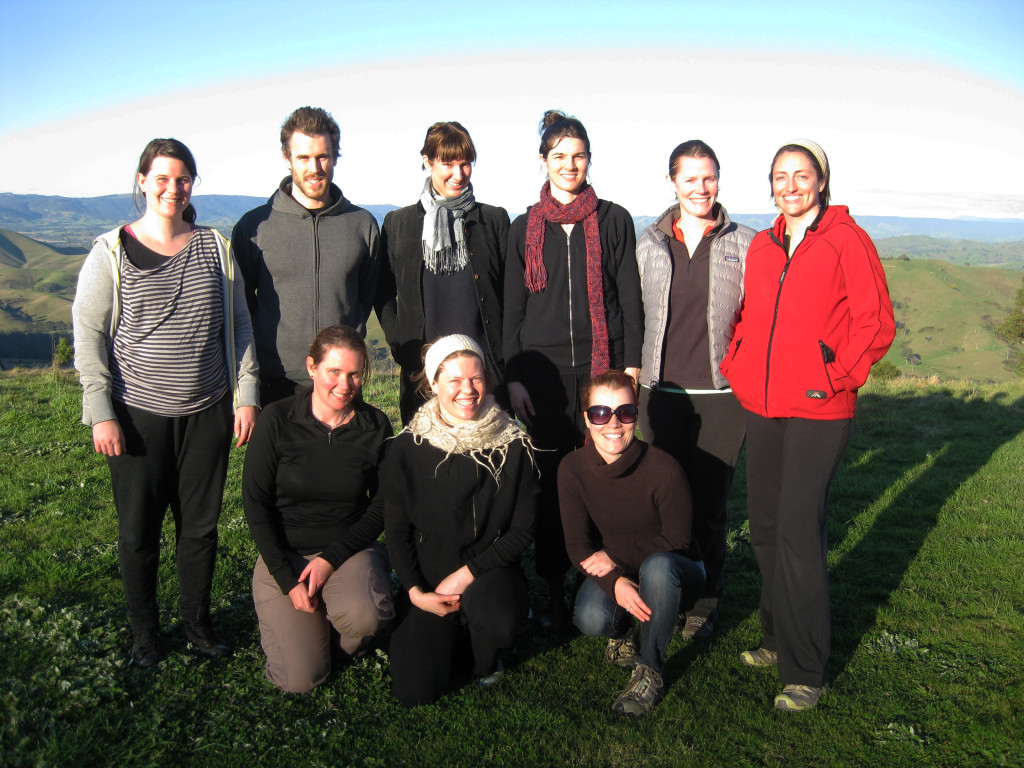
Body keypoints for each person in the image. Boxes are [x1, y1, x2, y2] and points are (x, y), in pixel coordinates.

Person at [720, 139, 895, 711]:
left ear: (821, 180)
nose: (789, 185)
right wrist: (737, 363)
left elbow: (875, 323)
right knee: (766, 527)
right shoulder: (766, 245)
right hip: (764, 405)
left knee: (798, 531)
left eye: (801, 175)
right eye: (779, 176)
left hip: (821, 406)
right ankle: (776, 639)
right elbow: (749, 316)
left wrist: (837, 374)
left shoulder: (847, 239)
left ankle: (805, 671)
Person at [72, 138, 259, 668]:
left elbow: (240, 323)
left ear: (191, 185)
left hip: (208, 410)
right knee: (138, 532)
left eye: (182, 179)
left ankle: (198, 626)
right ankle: (145, 636)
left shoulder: (214, 247)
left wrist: (246, 395)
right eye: (161, 178)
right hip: (136, 414)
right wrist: (101, 410)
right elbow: (87, 334)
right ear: (141, 181)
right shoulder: (111, 250)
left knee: (199, 529)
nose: (172, 189)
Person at [503, 109, 643, 627]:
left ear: (589, 160)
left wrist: (629, 367)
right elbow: (511, 309)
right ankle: (556, 585)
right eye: (559, 156)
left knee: (606, 473)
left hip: (599, 368)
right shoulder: (524, 229)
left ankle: (609, 578)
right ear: (543, 161)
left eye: (578, 155)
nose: (569, 164)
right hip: (540, 374)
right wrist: (512, 375)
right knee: (550, 479)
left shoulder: (613, 219)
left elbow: (628, 296)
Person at [635, 140, 755, 641]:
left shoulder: (747, 243)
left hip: (721, 396)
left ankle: (705, 599)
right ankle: (667, 591)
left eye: (709, 177)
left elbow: (760, 317)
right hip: (659, 392)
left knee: (709, 504)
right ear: (672, 182)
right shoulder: (648, 243)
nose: (701, 188)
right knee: (663, 502)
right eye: (691, 179)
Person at [383, 335, 538, 706]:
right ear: (433, 383)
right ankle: (450, 633)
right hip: (429, 581)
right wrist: (416, 591)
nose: (467, 390)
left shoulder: (513, 444)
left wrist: (469, 572)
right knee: (415, 692)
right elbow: (396, 530)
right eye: (454, 380)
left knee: (497, 621)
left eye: (476, 378)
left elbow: (522, 530)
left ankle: (485, 653)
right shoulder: (408, 447)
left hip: (489, 573)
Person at [242, 325, 394, 693]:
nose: (345, 384)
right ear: (312, 368)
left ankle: (341, 629)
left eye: (355, 373)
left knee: (367, 617)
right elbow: (256, 503)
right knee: (302, 681)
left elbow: (383, 505)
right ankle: (311, 632)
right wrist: (286, 578)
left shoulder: (375, 426)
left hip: (347, 551)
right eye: (334, 372)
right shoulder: (277, 420)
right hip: (287, 554)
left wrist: (330, 559)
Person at [558, 370, 704, 717]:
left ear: (635, 415)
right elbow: (578, 547)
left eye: (624, 412)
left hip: (677, 566)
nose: (612, 424)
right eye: (600, 413)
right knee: (591, 618)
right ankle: (622, 632)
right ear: (586, 420)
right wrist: (614, 580)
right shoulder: (572, 469)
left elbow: (678, 539)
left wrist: (613, 556)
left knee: (659, 567)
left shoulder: (664, 469)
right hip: (619, 569)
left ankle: (650, 668)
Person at [232, 106, 380, 405]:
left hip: (342, 382)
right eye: (303, 158)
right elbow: (241, 307)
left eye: (322, 156)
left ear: (335, 155)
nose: (314, 167)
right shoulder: (254, 227)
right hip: (275, 381)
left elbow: (365, 297)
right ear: (287, 158)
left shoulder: (361, 224)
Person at [375, 121, 509, 424]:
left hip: (484, 377)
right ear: (428, 161)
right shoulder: (400, 224)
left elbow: (510, 296)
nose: (458, 174)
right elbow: (382, 291)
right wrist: (400, 343)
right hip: (422, 377)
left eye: (465, 163)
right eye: (448, 163)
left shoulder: (493, 220)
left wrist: (503, 361)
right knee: (427, 463)